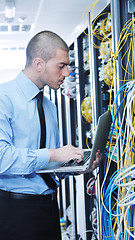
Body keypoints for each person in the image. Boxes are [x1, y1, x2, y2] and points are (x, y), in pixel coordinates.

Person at [0, 30, 102, 240]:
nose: (66, 73)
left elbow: (47, 168)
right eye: (61, 66)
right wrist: (54, 154)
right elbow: (2, 158)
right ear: (39, 64)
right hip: (15, 210)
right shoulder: (4, 99)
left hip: (48, 208)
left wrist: (78, 167)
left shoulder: (49, 106)